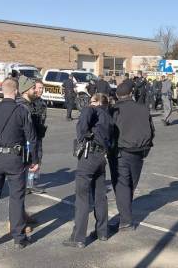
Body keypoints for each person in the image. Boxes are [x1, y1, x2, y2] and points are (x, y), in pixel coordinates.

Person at [0, 77, 38, 250]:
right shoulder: (21, 111)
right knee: (17, 198)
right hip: (15, 160)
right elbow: (31, 138)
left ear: (2, 91)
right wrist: (34, 160)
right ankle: (19, 238)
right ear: (17, 91)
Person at [64, 93, 114, 248]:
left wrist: (85, 135)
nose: (89, 103)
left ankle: (78, 238)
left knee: (82, 197)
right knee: (100, 196)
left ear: (98, 102)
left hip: (89, 156)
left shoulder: (93, 110)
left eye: (92, 101)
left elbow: (83, 122)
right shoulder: (109, 118)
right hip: (101, 157)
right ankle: (102, 232)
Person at [109, 82, 154, 231]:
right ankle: (125, 216)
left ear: (117, 95)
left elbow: (108, 130)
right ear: (131, 93)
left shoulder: (114, 109)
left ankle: (126, 220)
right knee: (130, 185)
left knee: (122, 185)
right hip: (139, 152)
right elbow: (151, 130)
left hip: (120, 152)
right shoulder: (143, 108)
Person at [27, 79, 48, 194]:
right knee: (30, 158)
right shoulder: (30, 102)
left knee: (38, 158)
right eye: (38, 88)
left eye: (42, 88)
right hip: (30, 135)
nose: (40, 90)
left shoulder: (42, 102)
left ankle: (32, 183)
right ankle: (27, 184)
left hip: (38, 135)